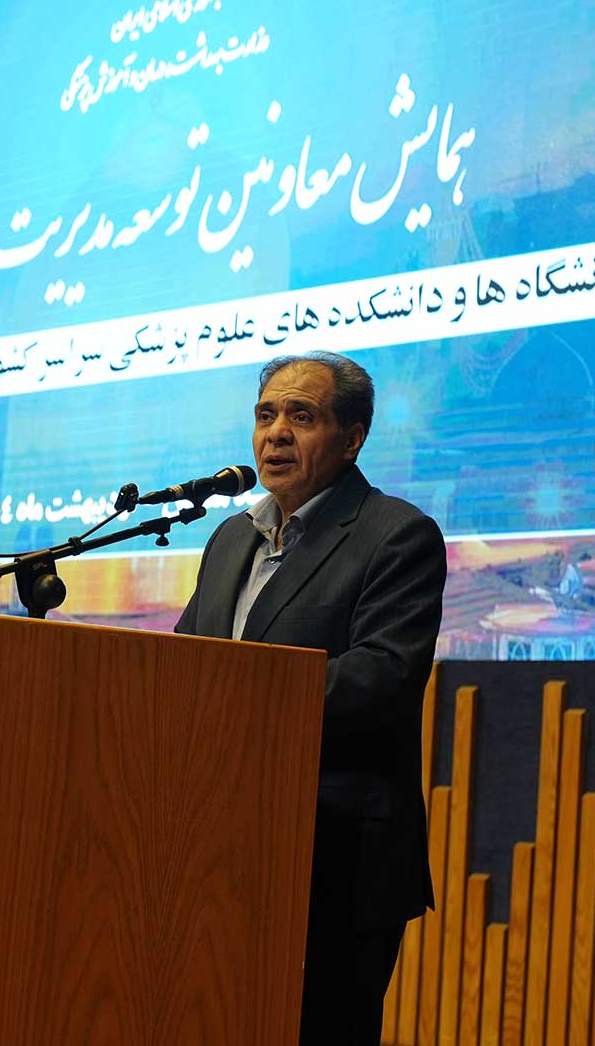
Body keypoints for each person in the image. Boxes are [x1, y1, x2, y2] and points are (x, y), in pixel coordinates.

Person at [175, 351, 445, 1044]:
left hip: (335, 860)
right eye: (266, 415)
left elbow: (382, 677)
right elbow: (183, 665)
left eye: (302, 415)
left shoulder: (396, 535)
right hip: (216, 846)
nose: (276, 433)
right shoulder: (230, 539)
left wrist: (236, 699)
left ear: (352, 438)